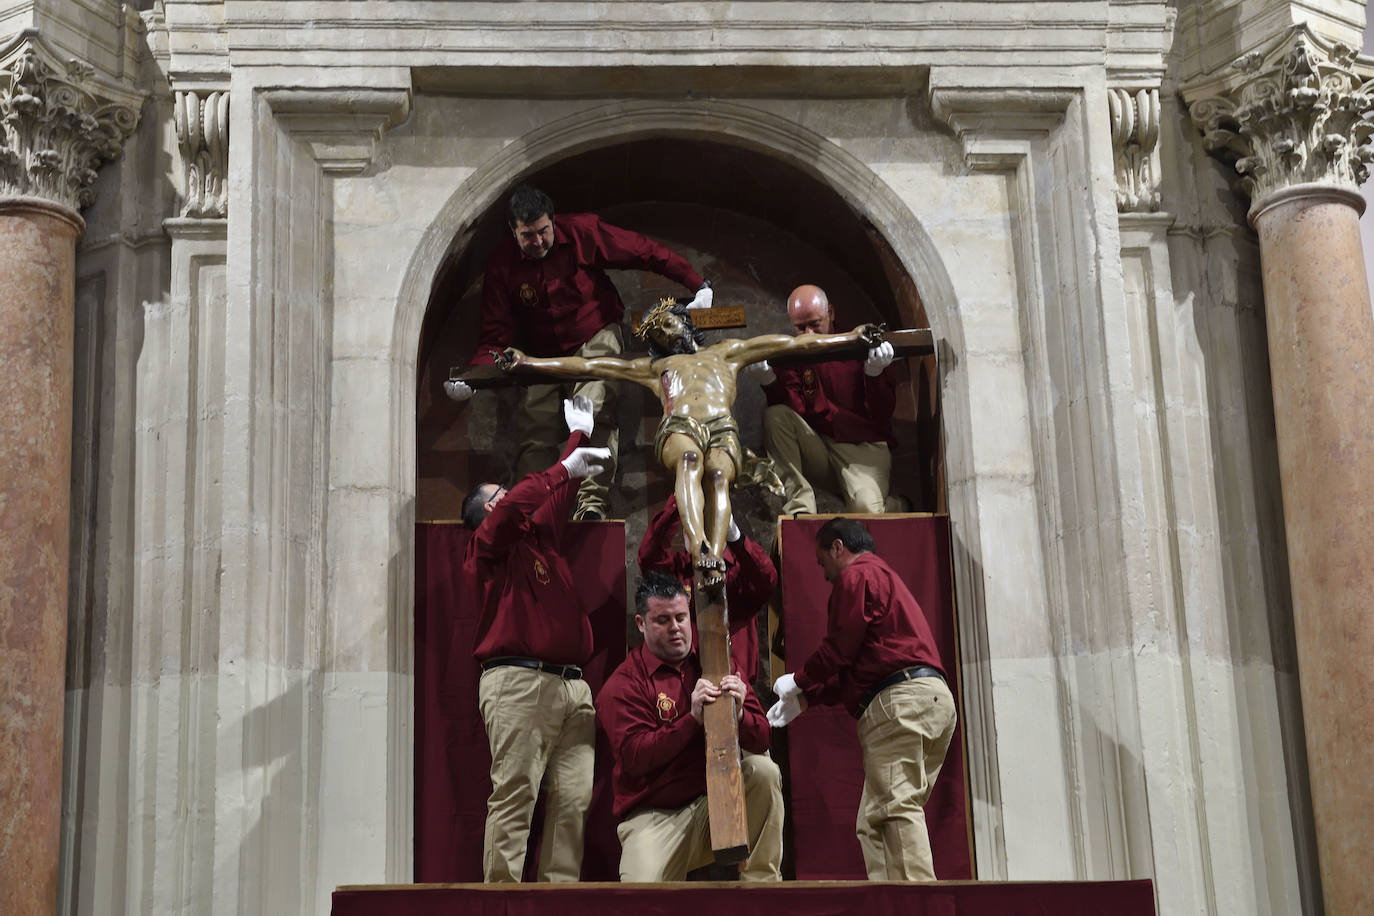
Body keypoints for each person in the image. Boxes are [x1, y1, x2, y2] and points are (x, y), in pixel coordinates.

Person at [495, 297, 885, 588]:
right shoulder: (657, 367)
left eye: (668, 322)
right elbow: (590, 365)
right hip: (679, 423)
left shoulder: (728, 352)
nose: (664, 331)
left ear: (685, 322)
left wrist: (850, 337)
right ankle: (699, 549)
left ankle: (715, 557)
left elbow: (793, 346)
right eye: (657, 331)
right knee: (689, 463)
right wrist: (529, 362)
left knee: (717, 475)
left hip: (721, 426)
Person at [446, 184, 712, 521]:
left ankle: (592, 503)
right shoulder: (501, 265)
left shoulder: (583, 232)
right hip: (540, 354)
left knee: (595, 407)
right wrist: (474, 376)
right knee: (535, 427)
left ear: (553, 221)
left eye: (544, 231)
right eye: (528, 236)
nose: (539, 241)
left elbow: (642, 251)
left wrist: (695, 283)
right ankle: (533, 508)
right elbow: (495, 333)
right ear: (513, 232)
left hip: (594, 332)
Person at [461, 394, 612, 882]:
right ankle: (501, 901)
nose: (511, 495)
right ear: (485, 511)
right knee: (515, 796)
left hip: (572, 687)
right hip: (517, 683)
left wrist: (580, 437)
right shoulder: (486, 548)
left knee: (573, 802)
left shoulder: (537, 538)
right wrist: (563, 467)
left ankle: (558, 902)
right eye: (499, 493)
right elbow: (528, 498)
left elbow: (554, 496)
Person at [767, 517, 956, 881]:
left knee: (896, 809)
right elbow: (862, 664)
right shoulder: (886, 580)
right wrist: (808, 698)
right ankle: (888, 903)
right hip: (931, 701)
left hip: (898, 702)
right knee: (873, 821)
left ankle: (919, 908)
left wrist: (800, 679)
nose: (825, 575)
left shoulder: (856, 576)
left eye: (823, 562)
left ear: (838, 547)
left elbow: (841, 648)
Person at [596, 572, 783, 881]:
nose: (675, 629)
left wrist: (739, 715)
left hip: (717, 803)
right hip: (656, 815)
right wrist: (692, 719)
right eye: (663, 620)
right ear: (641, 624)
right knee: (637, 897)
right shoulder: (623, 684)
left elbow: (762, 736)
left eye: (681, 617)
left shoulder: (719, 660)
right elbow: (634, 759)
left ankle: (762, 887)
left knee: (764, 771)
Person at [742, 284, 899, 515]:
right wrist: (769, 380)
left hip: (864, 449)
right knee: (775, 416)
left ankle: (896, 506)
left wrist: (875, 374)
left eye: (815, 324)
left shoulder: (858, 344)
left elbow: (882, 413)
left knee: (865, 510)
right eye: (800, 327)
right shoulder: (794, 354)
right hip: (820, 447)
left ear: (831, 314)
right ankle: (800, 508)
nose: (809, 335)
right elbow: (793, 410)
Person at [636, 494, 776, 684]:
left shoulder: (742, 569)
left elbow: (767, 581)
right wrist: (681, 498)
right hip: (684, 686)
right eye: (693, 526)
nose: (701, 534)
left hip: (737, 684)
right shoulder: (677, 569)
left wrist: (736, 537)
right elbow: (648, 558)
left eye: (709, 525)